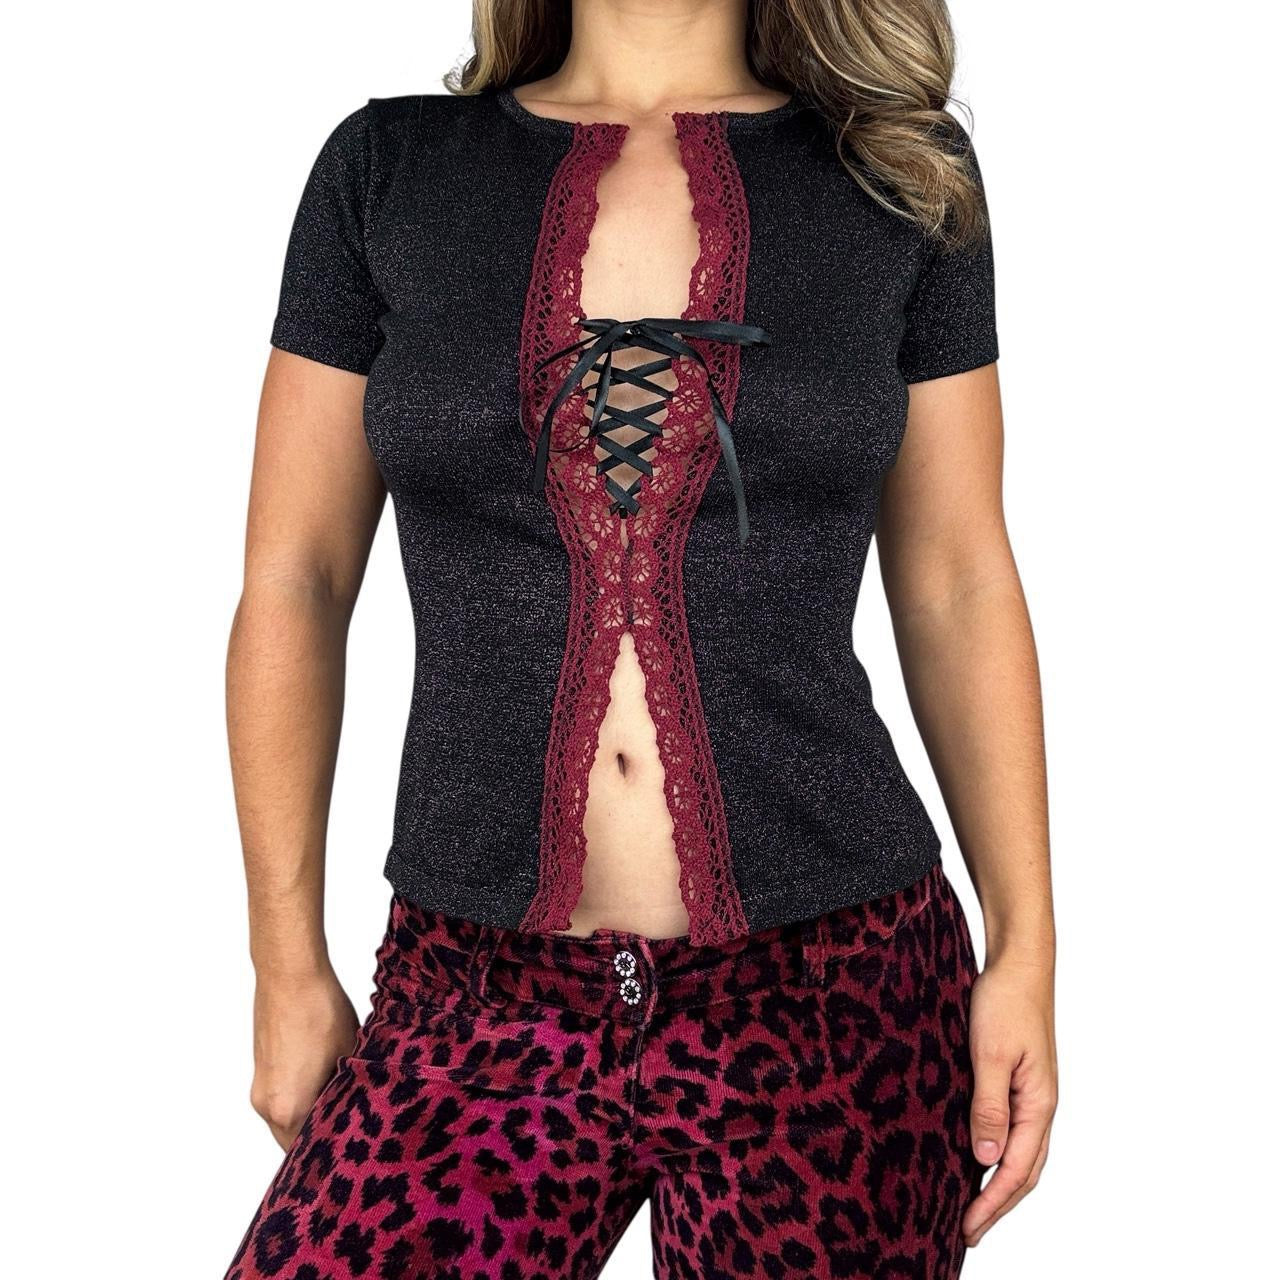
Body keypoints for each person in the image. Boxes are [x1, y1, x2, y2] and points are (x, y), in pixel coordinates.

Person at [223, 2, 1057, 1275]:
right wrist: (285, 964)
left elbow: (955, 580)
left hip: (836, 992)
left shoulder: (896, 176)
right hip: (473, 991)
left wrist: (1024, 949)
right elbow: (296, 578)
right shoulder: (389, 172)